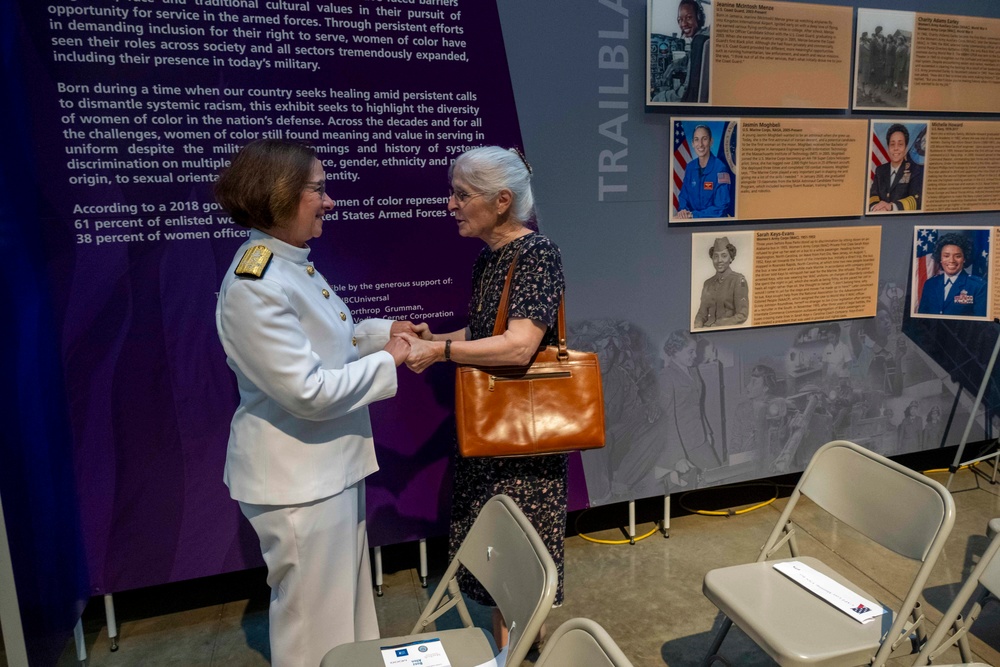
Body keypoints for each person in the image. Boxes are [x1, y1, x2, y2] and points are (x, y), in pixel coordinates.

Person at [213, 139, 421, 666]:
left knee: (344, 617)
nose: (330, 202)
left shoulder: (289, 265)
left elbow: (332, 340)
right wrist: (390, 360)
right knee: (314, 630)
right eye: (319, 190)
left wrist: (381, 335)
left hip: (325, 471)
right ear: (279, 195)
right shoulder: (255, 284)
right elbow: (307, 391)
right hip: (298, 483)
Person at [398, 146, 566, 649]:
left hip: (519, 440)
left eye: (462, 195)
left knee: (518, 556)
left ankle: (518, 652)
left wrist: (443, 351)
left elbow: (518, 346)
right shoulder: (491, 259)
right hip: (490, 434)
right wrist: (436, 340)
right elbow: (486, 329)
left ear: (501, 201)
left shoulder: (537, 254)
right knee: (497, 560)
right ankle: (514, 650)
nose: (450, 204)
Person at [651, 330, 721, 486]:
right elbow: (666, 420)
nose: (695, 355)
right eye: (690, 351)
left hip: (698, 437)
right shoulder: (666, 378)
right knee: (691, 484)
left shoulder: (693, 371)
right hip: (680, 442)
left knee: (716, 476)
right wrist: (677, 456)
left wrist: (707, 431)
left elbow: (697, 406)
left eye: (695, 351)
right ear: (675, 351)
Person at [652, 0, 710, 103]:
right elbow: (691, 57)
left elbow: (684, 93)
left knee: (656, 98)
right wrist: (673, 65)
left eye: (688, 18)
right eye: (680, 19)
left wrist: (661, 95)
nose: (683, 24)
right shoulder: (706, 37)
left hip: (687, 100)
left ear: (699, 17)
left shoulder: (698, 42)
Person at [917, 232, 987, 316]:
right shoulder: (930, 284)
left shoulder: (978, 286)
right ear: (940, 258)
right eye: (946, 256)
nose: (952, 260)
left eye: (957, 256)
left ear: (964, 259)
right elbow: (921, 320)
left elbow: (981, 324)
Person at [676, 124, 732, 219]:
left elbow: (720, 208)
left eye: (704, 139)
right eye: (697, 139)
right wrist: (683, 210)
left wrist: (693, 215)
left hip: (713, 223)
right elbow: (683, 196)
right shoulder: (690, 167)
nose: (700, 144)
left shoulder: (720, 169)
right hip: (691, 220)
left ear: (711, 141)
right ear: (693, 143)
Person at [693, 236, 748, 328]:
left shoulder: (739, 280)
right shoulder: (707, 284)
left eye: (724, 256)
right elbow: (701, 314)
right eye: (715, 256)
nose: (719, 260)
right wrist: (697, 328)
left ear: (731, 258)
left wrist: (716, 326)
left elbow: (742, 315)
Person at [869, 123, 923, 212]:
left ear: (905, 148)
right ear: (888, 148)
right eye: (892, 144)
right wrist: (876, 208)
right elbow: (873, 195)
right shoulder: (880, 170)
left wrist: (890, 207)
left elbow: (916, 199)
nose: (896, 148)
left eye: (900, 144)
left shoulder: (914, 170)